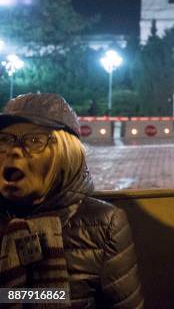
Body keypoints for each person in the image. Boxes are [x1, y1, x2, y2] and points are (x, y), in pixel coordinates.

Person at [0, 93, 143, 308]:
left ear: (65, 153)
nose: (14, 151)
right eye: (5, 139)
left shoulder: (104, 224)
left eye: (34, 140)